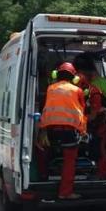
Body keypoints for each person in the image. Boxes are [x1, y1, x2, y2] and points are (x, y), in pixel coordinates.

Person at [38, 62, 87, 200]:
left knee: (43, 152)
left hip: (50, 131)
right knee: (69, 161)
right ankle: (65, 192)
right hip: (69, 132)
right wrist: (83, 131)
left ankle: (42, 178)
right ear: (74, 77)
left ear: (56, 75)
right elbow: (83, 112)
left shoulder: (50, 88)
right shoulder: (77, 91)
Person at [75, 54, 106, 179]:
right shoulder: (84, 84)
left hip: (100, 122)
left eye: (80, 71)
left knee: (100, 148)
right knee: (93, 148)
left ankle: (103, 174)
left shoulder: (100, 83)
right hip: (87, 121)